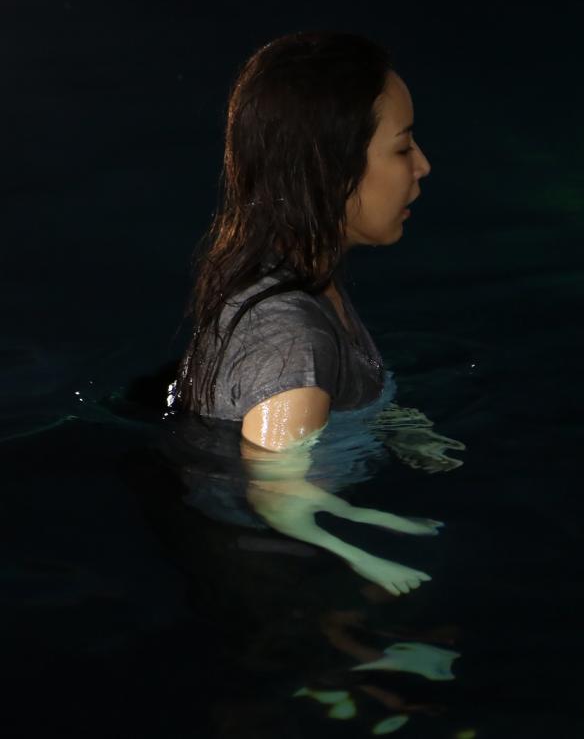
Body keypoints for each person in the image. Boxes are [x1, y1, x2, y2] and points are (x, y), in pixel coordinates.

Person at [168, 31, 456, 595]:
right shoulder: (289, 342)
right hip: (292, 584)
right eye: (402, 149)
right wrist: (368, 548)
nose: (423, 165)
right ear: (331, 170)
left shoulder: (296, 278)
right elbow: (277, 497)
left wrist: (399, 427)